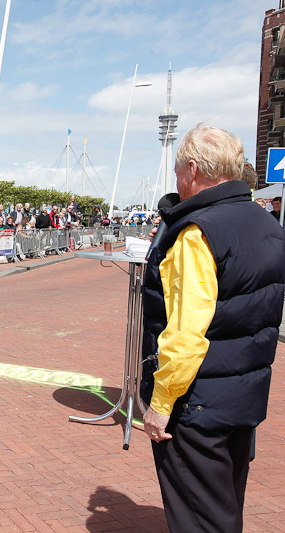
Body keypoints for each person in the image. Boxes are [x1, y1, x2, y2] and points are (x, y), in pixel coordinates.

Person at [140, 124, 285, 532]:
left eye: (176, 171)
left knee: (199, 517)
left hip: (197, 403)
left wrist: (161, 403)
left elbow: (186, 332)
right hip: (243, 395)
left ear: (191, 169)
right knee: (224, 507)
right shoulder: (265, 224)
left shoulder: (197, 233)